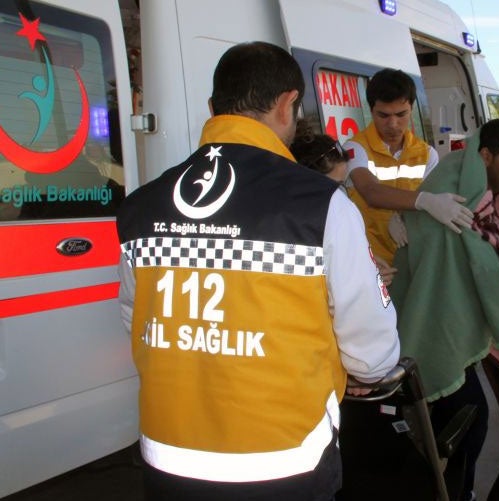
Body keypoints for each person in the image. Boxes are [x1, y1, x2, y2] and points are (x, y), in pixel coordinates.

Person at [116, 41, 400, 501]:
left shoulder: (140, 207)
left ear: (213, 108)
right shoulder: (320, 203)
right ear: (289, 104)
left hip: (167, 462)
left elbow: (138, 322)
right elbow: (372, 354)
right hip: (287, 463)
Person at [390, 118, 499, 501]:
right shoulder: (455, 194)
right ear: (484, 154)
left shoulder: (483, 189)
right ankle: (452, 491)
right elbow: (477, 262)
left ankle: (452, 489)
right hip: (431, 323)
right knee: (466, 419)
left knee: (459, 421)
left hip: (444, 323)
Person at [344, 68, 473, 265]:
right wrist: (426, 201)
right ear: (371, 111)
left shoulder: (427, 154)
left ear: (411, 108)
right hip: (369, 260)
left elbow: (434, 201)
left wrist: (404, 213)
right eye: (383, 115)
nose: (393, 124)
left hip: (411, 259)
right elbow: (371, 191)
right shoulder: (355, 148)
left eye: (401, 114)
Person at [290, 122, 398, 286]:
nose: (339, 194)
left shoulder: (325, 209)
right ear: (307, 180)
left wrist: (366, 263)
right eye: (333, 185)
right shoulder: (295, 224)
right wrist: (365, 278)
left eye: (343, 185)